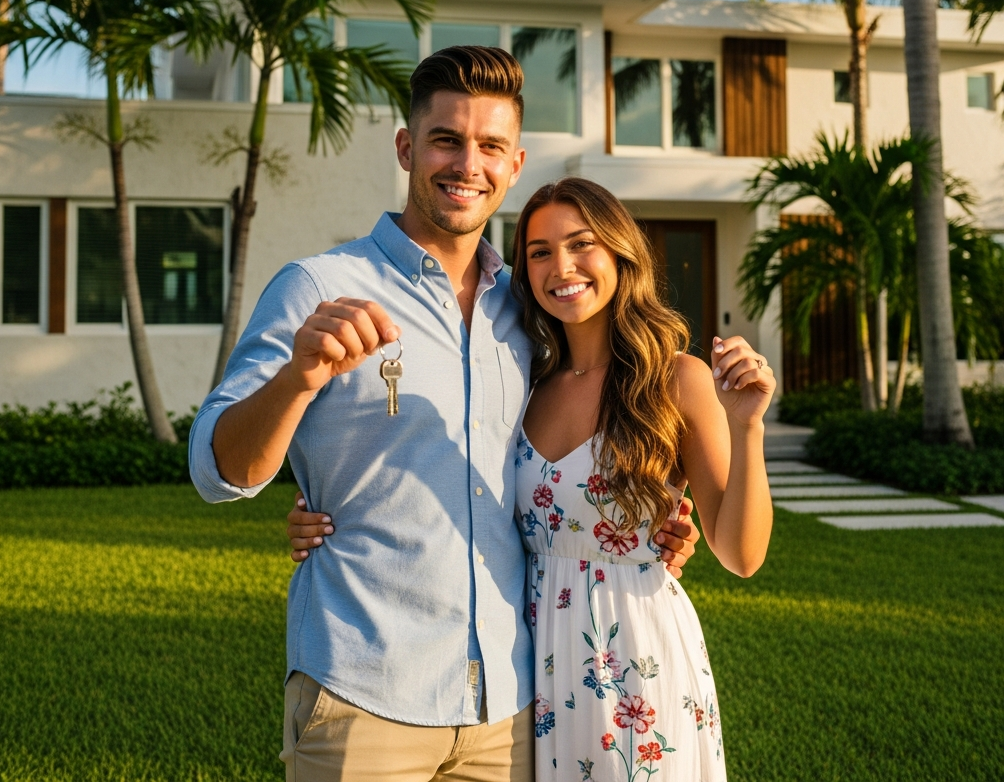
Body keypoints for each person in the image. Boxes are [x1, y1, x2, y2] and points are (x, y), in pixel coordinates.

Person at [188, 46, 700, 782]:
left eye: (490, 146)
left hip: (513, 709)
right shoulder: (316, 289)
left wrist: (650, 518)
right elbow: (216, 469)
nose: (468, 163)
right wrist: (298, 380)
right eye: (446, 140)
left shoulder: (531, 314)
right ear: (406, 147)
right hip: (362, 697)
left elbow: (564, 462)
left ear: (515, 163)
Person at [291, 176, 774, 781]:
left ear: (620, 252)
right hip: (535, 671)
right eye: (540, 252)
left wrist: (747, 426)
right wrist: (322, 507)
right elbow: (457, 486)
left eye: (581, 244)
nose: (561, 266)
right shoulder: (527, 382)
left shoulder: (677, 379)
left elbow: (742, 554)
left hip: (638, 665)